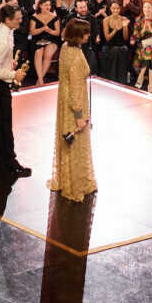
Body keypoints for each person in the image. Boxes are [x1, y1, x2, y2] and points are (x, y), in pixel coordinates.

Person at [48, 18, 97, 202]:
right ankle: (77, 185)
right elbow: (76, 89)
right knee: (76, 143)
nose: (88, 35)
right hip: (74, 103)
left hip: (63, 100)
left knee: (68, 144)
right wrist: (79, 115)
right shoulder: (76, 57)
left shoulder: (67, 49)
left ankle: (66, 180)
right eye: (85, 32)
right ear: (78, 35)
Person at [0, 3, 31, 177]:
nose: (21, 20)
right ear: (7, 20)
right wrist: (13, 75)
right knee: (3, 126)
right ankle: (9, 164)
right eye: (17, 19)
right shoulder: (2, 39)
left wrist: (9, 65)